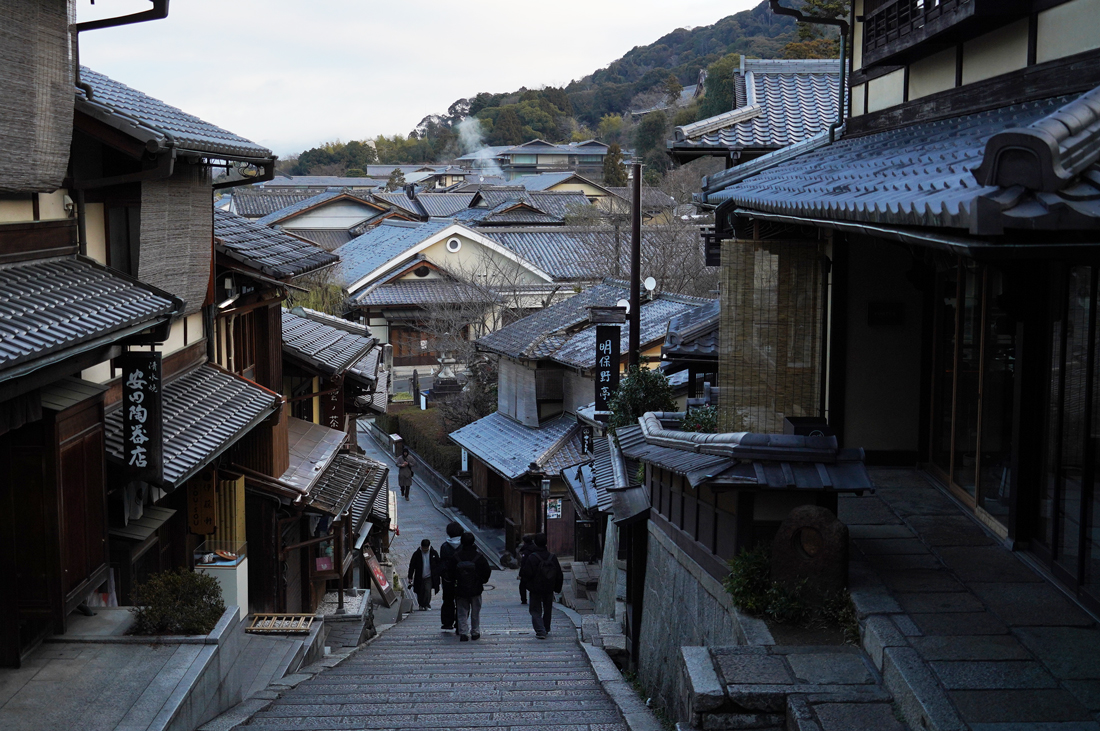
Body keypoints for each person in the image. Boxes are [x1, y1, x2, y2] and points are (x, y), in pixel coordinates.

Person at [445, 532, 491, 642]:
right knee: (475, 611)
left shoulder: (456, 557)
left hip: (460, 589)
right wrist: (481, 580)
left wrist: (454, 581)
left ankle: (463, 632)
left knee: (462, 611)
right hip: (475, 589)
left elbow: (449, 572)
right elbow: (486, 571)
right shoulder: (479, 557)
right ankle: (475, 631)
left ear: (462, 542)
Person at [519, 532, 563, 640]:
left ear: (535, 543)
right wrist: (557, 587)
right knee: (548, 608)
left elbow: (527, 574)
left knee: (535, 609)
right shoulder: (552, 557)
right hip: (549, 587)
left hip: (535, 588)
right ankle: (546, 627)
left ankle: (540, 630)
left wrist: (527, 585)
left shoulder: (532, 557)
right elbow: (559, 573)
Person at [438, 521, 464, 631]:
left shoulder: (445, 546)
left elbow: (442, 563)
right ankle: (460, 623)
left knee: (448, 600)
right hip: (462, 578)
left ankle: (447, 622)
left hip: (448, 578)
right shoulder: (464, 545)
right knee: (462, 601)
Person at [407, 539, 439, 610]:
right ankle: (421, 604)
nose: (425, 550)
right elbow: (412, 565)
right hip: (419, 576)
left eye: (426, 549)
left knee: (427, 590)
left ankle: (427, 604)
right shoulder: (417, 554)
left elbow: (438, 564)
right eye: (423, 549)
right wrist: (410, 576)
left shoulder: (433, 553)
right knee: (420, 591)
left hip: (429, 576)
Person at [517, 535, 536, 605]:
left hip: (527, 570)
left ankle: (524, 600)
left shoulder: (526, 551)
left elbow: (523, 563)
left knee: (522, 586)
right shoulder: (535, 548)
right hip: (536, 570)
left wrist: (520, 574)